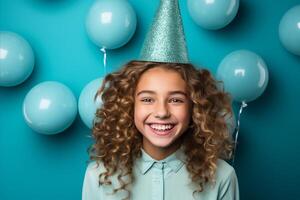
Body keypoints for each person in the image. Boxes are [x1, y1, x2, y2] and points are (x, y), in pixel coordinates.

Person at [82, 0, 239, 199]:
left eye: (176, 100)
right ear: (130, 105)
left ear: (195, 107)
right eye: (148, 99)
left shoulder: (223, 177)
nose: (162, 112)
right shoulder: (98, 176)